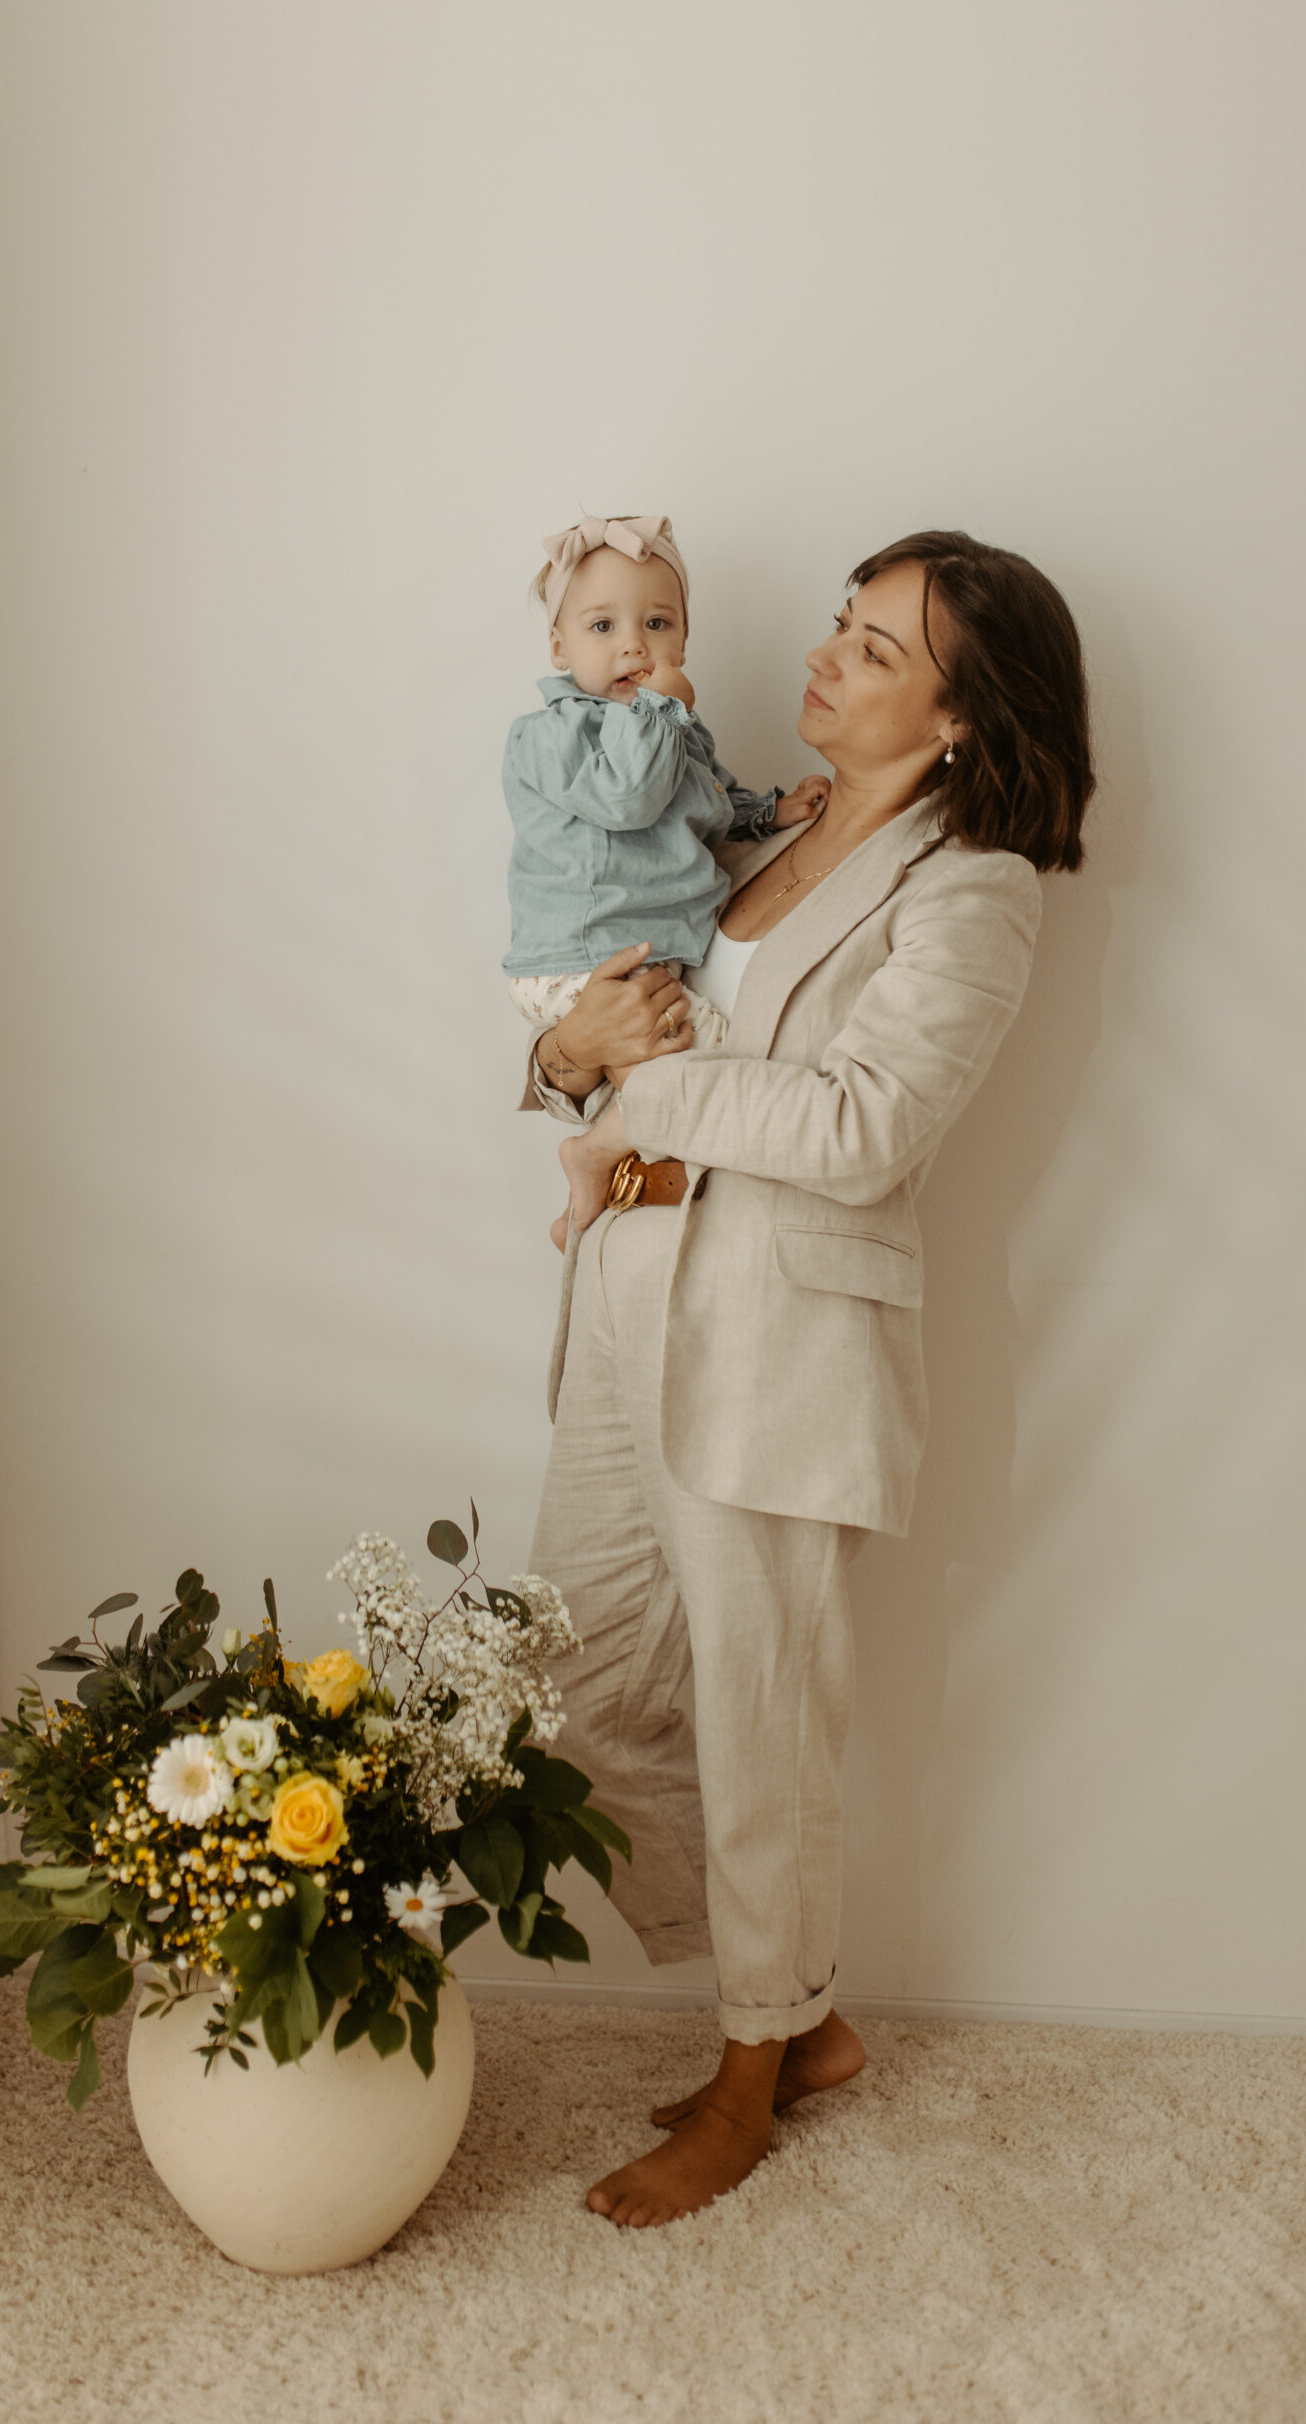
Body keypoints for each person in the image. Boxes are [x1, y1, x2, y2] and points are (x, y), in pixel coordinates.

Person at [521, 530, 1096, 2226]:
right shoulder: (747, 830)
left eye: (874, 649)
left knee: (757, 1712)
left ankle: (751, 2066)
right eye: (841, 625)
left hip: (775, 1328)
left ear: (960, 719)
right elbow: (609, 1020)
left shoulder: (971, 888)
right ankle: (800, 2012)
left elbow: (861, 1128)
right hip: (623, 1281)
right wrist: (565, 1056)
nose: (825, 658)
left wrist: (644, 1085)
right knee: (577, 1673)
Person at [503, 515, 830, 1245]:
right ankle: (598, 1158)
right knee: (713, 1053)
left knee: (675, 1063)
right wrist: (659, 706)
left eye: (656, 623)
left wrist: (770, 811)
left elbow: (708, 805)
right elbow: (629, 798)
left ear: (683, 641)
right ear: (558, 647)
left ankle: (604, 1168)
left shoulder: (674, 730)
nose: (633, 645)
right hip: (584, 956)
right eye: (602, 626)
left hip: (634, 953)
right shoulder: (553, 735)